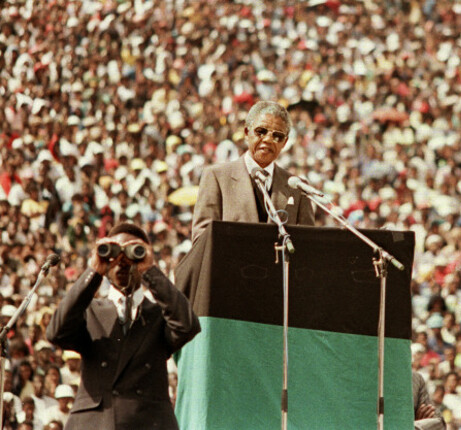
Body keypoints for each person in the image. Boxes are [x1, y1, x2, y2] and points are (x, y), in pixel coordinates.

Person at [46, 223, 201, 430]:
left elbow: (187, 325)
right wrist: (94, 272)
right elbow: (56, 332)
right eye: (115, 253)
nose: (122, 262)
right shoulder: (90, 311)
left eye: (132, 252)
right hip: (94, 423)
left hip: (148, 422)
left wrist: (150, 271)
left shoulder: (160, 314)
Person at [191, 101, 315, 244]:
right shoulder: (217, 177)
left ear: (285, 142)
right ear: (246, 133)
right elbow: (202, 240)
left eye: (277, 136)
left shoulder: (297, 187)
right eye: (261, 131)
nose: (268, 139)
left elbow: (308, 244)